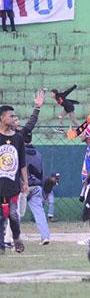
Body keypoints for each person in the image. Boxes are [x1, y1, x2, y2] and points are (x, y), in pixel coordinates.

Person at [0, 106, 29, 254]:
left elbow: (22, 162)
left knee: (12, 214)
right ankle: (1, 246)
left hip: (13, 184)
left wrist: (25, 182)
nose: (13, 118)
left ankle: (17, 238)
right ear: (2, 118)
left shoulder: (17, 138)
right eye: (10, 116)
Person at [23, 131, 51, 245]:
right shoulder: (38, 154)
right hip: (37, 186)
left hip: (23, 187)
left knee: (13, 213)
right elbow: (41, 173)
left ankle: (10, 238)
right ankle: (45, 237)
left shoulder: (20, 153)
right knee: (39, 213)